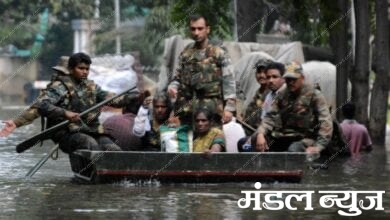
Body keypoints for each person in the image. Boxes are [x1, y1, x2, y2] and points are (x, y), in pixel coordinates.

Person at [1, 52, 139, 154]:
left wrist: (134, 97)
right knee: (90, 145)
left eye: (87, 69)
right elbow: (41, 106)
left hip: (91, 130)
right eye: (81, 68)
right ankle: (95, 171)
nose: (85, 72)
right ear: (71, 69)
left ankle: (114, 176)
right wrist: (16, 122)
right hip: (67, 133)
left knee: (114, 149)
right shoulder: (59, 87)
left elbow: (113, 99)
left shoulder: (92, 87)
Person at [167, 14, 236, 128]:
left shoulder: (219, 53)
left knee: (211, 142)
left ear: (207, 29)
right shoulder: (186, 53)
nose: (196, 32)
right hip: (187, 111)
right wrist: (172, 87)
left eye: (200, 28)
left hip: (211, 111)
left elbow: (229, 81)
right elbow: (177, 78)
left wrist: (229, 108)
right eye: (193, 29)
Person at [254, 61, 333, 153]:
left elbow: (325, 122)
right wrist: (260, 133)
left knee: (293, 150)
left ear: (302, 78)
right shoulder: (282, 94)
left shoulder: (314, 95)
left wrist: (319, 146)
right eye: (288, 79)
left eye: (294, 79)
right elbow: (270, 117)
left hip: (307, 138)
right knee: (248, 143)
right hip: (285, 136)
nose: (290, 82)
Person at [244, 59, 271, 128]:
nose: (261, 75)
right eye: (259, 72)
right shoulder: (258, 93)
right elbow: (250, 115)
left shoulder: (272, 93)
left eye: (265, 72)